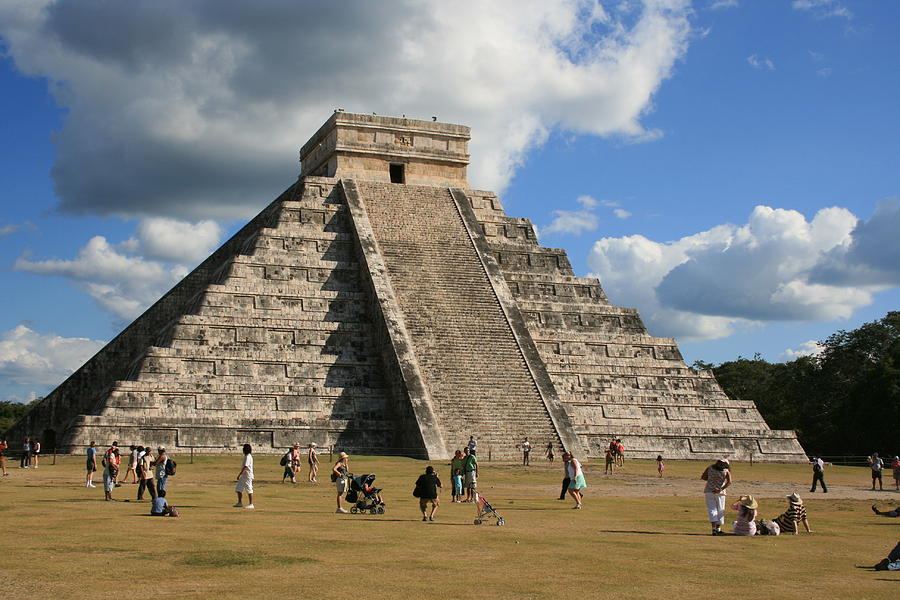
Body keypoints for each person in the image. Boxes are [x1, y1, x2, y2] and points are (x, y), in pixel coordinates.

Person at [701, 458, 731, 535]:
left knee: (712, 509)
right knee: (720, 509)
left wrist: (711, 479)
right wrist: (720, 489)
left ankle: (714, 529)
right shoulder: (726, 471)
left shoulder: (710, 468)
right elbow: (729, 482)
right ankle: (718, 528)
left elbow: (704, 477)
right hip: (720, 493)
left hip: (709, 490)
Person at [233, 444, 254, 509]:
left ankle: (251, 504)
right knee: (239, 488)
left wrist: (240, 474)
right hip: (244, 475)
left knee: (249, 488)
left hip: (247, 475)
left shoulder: (248, 456)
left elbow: (246, 466)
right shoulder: (246, 456)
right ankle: (239, 502)